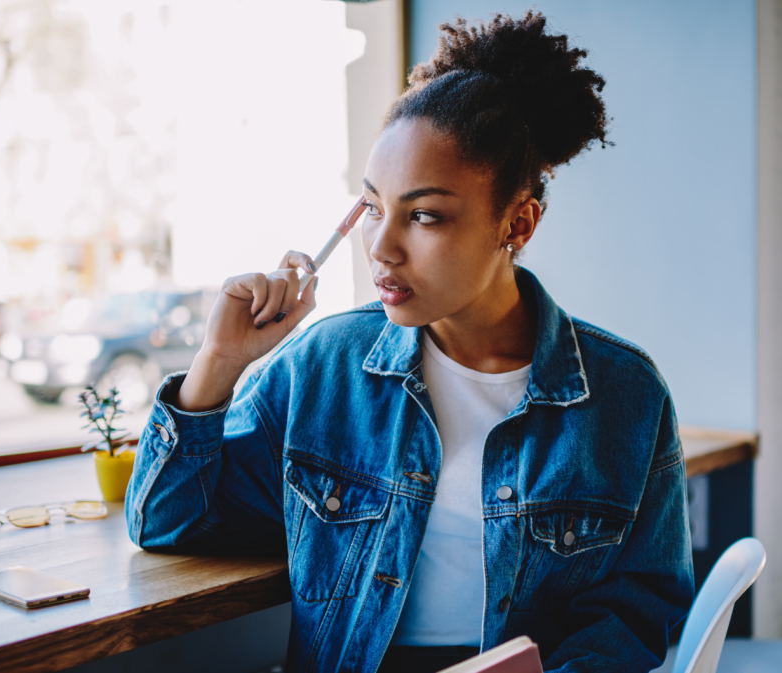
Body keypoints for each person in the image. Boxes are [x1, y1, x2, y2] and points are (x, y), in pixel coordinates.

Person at [126, 12, 693, 673]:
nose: (382, 246)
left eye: (423, 215)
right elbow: (164, 523)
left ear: (518, 221)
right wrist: (217, 364)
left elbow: (637, 608)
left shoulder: (624, 395)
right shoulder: (324, 366)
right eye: (372, 207)